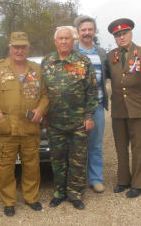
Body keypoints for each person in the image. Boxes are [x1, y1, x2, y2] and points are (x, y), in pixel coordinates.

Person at [0, 32, 49, 217]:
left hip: (30, 128)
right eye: (16, 47)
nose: (19, 50)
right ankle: (8, 201)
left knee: (31, 165)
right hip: (6, 128)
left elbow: (45, 95)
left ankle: (31, 198)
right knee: (5, 168)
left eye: (23, 47)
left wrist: (40, 110)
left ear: (28, 48)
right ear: (10, 47)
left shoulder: (37, 69)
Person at [42, 26, 98, 210]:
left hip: (78, 122)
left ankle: (75, 193)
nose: (64, 41)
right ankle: (59, 192)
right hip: (54, 122)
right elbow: (40, 91)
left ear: (73, 41)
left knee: (78, 160)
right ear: (55, 41)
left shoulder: (83, 61)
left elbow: (91, 91)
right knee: (57, 159)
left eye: (67, 38)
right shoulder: (47, 61)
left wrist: (89, 115)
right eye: (61, 38)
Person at [106, 18, 141, 198]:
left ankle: (138, 183)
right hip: (119, 109)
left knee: (139, 148)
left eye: (124, 33)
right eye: (117, 35)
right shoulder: (111, 55)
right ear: (114, 38)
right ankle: (123, 180)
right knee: (121, 147)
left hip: (139, 108)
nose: (121, 37)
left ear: (131, 33)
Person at [73, 16, 109, 193]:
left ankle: (95, 179)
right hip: (75, 109)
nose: (87, 33)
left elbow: (110, 76)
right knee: (76, 146)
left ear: (94, 31)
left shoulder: (101, 53)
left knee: (95, 145)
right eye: (83, 30)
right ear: (78, 32)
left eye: (90, 29)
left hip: (97, 108)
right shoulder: (70, 51)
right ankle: (77, 181)